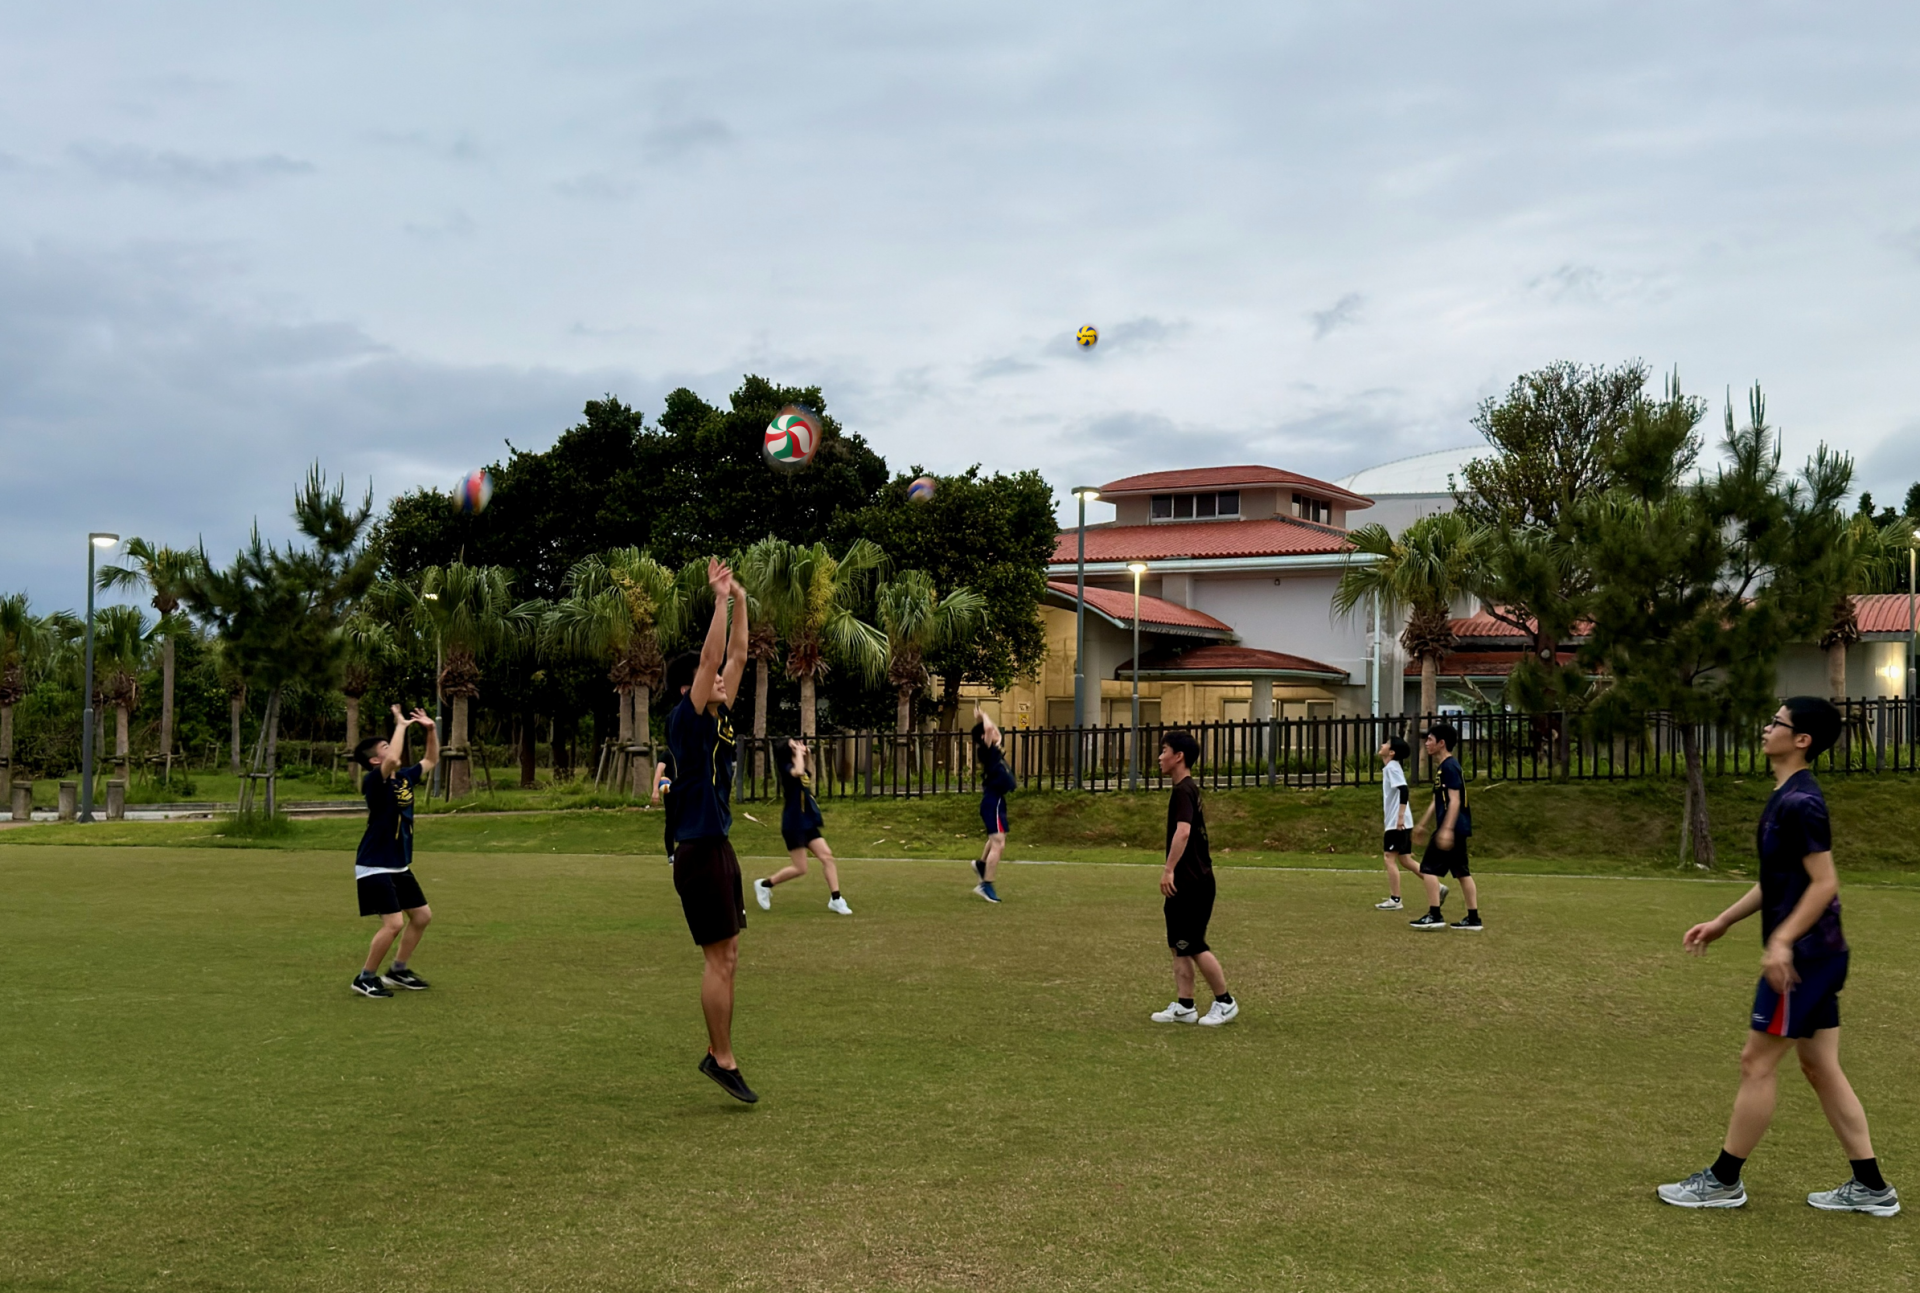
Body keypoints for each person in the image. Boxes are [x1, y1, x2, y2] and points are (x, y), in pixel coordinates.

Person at [1657, 697, 1898, 1215]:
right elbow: (1778, 880)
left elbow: (1824, 882)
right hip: (1819, 955)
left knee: (1756, 1062)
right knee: (1820, 1066)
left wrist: (1783, 941)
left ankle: (1724, 1180)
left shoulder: (1802, 802)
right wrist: (1724, 920)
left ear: (1802, 740)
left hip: (1805, 961)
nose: (1766, 728)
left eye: (1777, 722)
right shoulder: (1785, 795)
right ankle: (1872, 1187)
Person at [664, 558, 758, 1104]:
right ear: (691, 689)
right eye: (712, 679)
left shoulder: (719, 717)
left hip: (718, 847)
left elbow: (737, 655)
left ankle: (720, 1052)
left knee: (730, 956)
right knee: (718, 959)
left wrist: (740, 600)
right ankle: (721, 1058)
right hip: (698, 851)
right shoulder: (687, 719)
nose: (723, 677)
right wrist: (719, 600)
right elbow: (711, 658)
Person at [348, 705, 439, 998]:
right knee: (394, 923)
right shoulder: (375, 781)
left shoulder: (404, 778)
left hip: (398, 864)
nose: (392, 749)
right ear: (375, 760)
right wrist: (400, 724)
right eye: (385, 747)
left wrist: (431, 730)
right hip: (375, 864)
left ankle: (398, 970)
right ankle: (365, 977)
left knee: (422, 916)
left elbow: (431, 759)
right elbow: (394, 759)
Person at [1149, 730, 1238, 1026]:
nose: (1160, 757)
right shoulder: (1184, 789)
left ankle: (1225, 1002)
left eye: (1164, 750)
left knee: (1194, 944)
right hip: (1184, 884)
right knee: (1179, 944)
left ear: (1179, 756)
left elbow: (1184, 832)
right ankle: (1185, 1005)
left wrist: (1168, 869)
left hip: (1193, 883)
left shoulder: (1184, 791)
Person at [753, 738, 851, 915]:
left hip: (808, 820)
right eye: (794, 743)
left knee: (827, 857)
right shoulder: (786, 767)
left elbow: (806, 772)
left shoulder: (798, 763)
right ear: (788, 749)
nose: (799, 744)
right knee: (800, 868)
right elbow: (798, 772)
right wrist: (799, 753)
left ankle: (836, 899)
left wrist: (807, 754)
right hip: (793, 822)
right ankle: (764, 885)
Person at [1409, 722, 1478, 931]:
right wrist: (1422, 824)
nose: (1426, 743)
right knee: (1462, 872)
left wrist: (1447, 829)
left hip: (1452, 827)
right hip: (1454, 827)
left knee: (1428, 868)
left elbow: (1455, 800)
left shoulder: (1449, 767)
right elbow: (1437, 800)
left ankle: (1434, 914)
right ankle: (1473, 918)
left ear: (1442, 743)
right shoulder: (1444, 768)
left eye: (1430, 739)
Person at [1373, 734, 1431, 911]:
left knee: (1389, 857)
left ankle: (1395, 899)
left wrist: (1399, 817)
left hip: (1397, 822)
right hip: (1401, 821)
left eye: (1386, 744)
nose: (1382, 745)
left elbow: (1404, 790)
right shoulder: (1391, 767)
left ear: (1391, 752)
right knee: (1405, 860)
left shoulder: (1392, 768)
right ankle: (1436, 885)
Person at [970, 707, 1014, 903]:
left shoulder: (994, 750)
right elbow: (988, 730)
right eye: (992, 730)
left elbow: (991, 730)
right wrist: (983, 716)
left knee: (998, 837)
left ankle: (982, 864)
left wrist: (984, 720)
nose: (996, 731)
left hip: (998, 800)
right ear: (984, 736)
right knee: (999, 844)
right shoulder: (986, 751)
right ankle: (986, 884)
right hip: (992, 801)